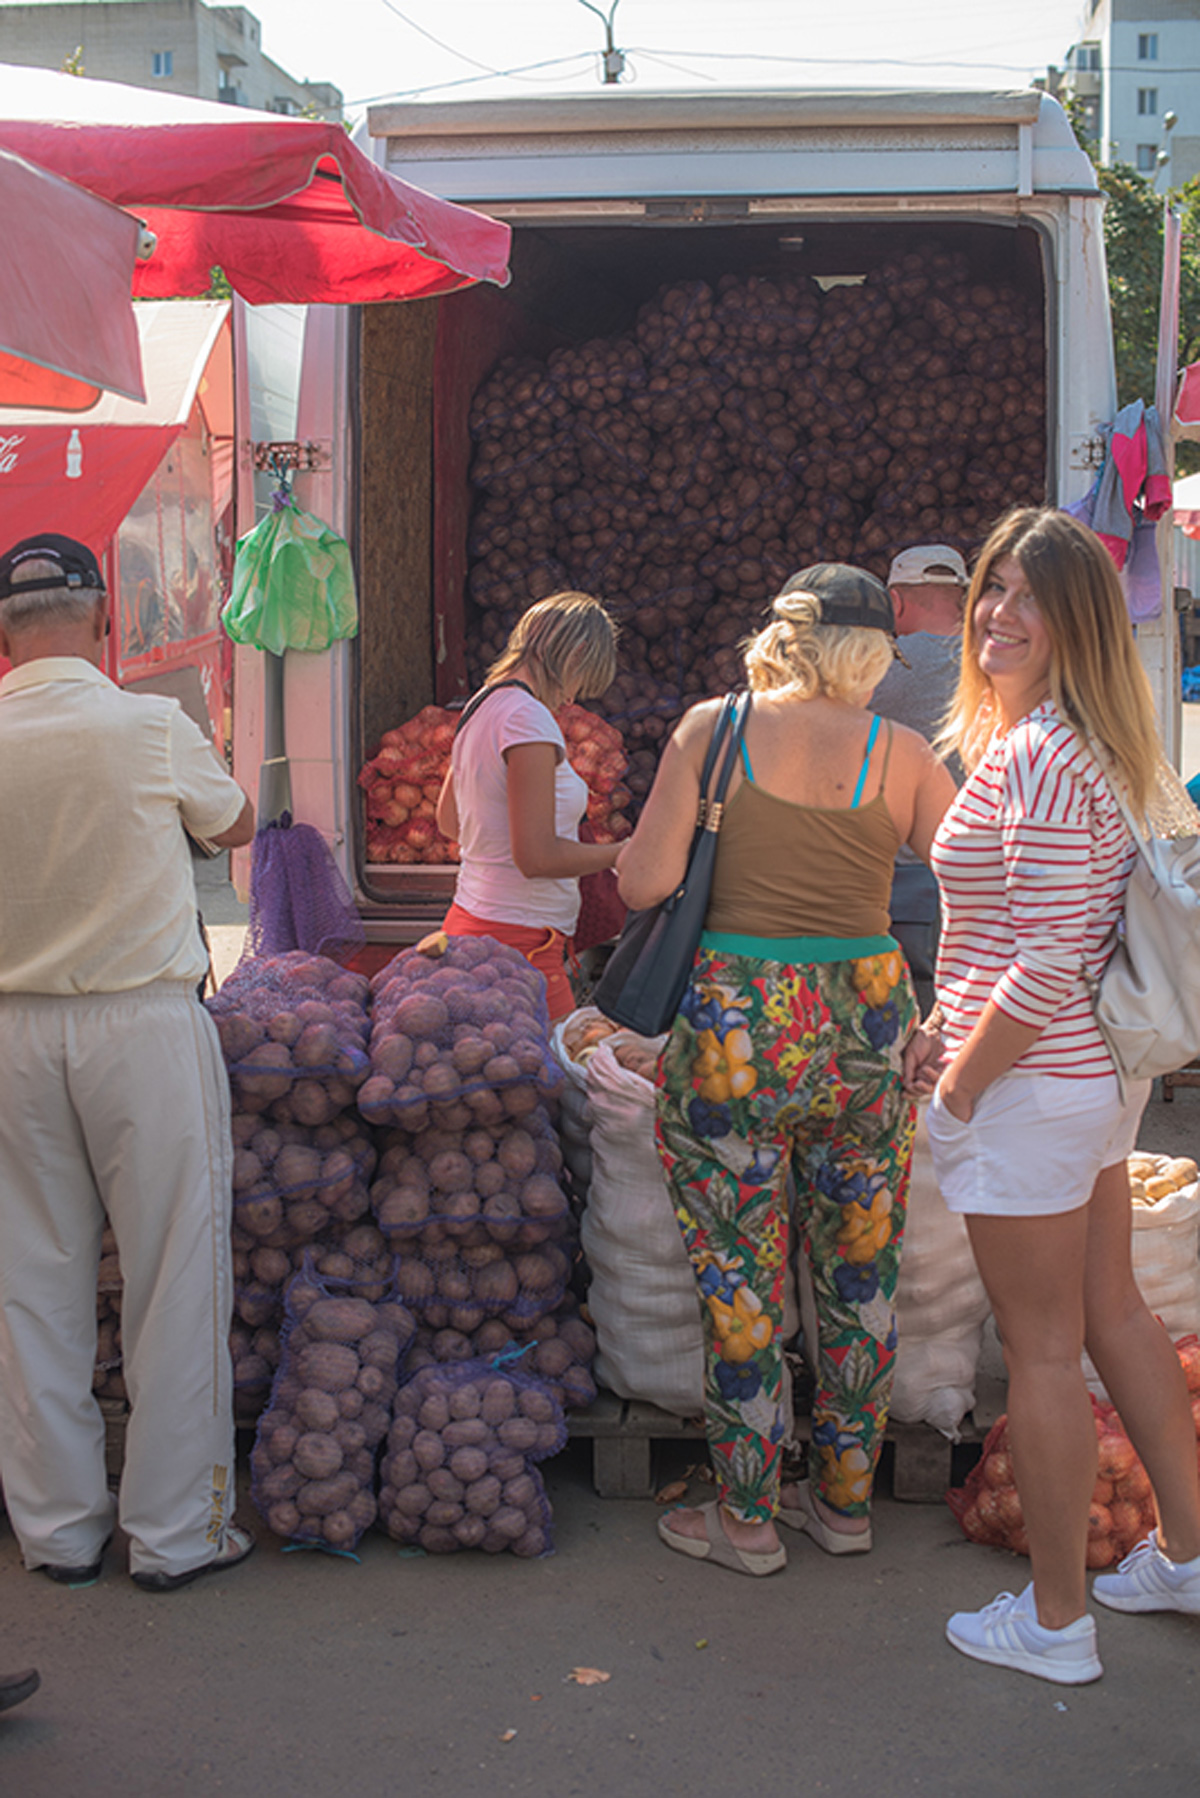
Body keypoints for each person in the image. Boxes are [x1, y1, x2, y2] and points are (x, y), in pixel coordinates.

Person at [907, 507, 1200, 1683]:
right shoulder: (1082, 745)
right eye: (992, 590)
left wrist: (960, 1087)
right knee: (1111, 1314)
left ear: (1079, 621)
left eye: (1029, 598)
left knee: (1036, 1351)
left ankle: (1056, 1622)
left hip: (1033, 1083)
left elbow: (1048, 956)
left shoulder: (1039, 754)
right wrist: (948, 1024)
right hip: (1081, 1082)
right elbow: (1014, 946)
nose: (998, 615)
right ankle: (1184, 1553)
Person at [617, 564, 956, 1576]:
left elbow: (643, 881)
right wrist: (949, 1015)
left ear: (782, 636)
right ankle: (845, 1506)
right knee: (861, 1275)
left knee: (742, 1281)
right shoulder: (902, 752)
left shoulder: (709, 731)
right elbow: (979, 883)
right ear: (873, 650)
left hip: (736, 1030)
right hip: (866, 1024)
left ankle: (748, 1517)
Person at [0, 533, 257, 1594]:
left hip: (14, 1031)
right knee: (171, 1276)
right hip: (140, 1026)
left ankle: (58, 1531)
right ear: (106, 621)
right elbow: (235, 819)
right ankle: (173, 1533)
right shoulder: (150, 725)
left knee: (30, 1284)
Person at [437, 591, 620, 1022]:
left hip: (468, 921)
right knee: (555, 1077)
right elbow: (536, 857)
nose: (572, 699)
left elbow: (449, 821)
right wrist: (624, 853)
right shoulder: (527, 718)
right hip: (520, 945)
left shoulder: (481, 704)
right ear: (574, 654)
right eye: (582, 681)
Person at [873, 544, 968, 1014]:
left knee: (899, 1014)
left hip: (898, 881)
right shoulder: (998, 665)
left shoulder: (878, 668)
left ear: (896, 601)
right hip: (980, 877)